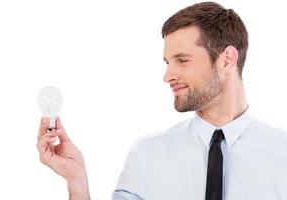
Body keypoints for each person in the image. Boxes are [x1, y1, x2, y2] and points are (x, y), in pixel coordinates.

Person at [37, 2, 287, 200]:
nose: (168, 76)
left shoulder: (281, 155)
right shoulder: (147, 155)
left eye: (183, 60)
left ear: (227, 59)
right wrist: (77, 180)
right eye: (168, 62)